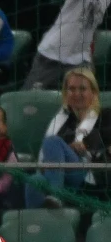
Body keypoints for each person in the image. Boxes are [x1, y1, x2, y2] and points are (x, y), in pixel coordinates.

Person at [24, 68, 107, 209]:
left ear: (93, 93)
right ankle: (41, 219)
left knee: (52, 141)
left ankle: (56, 195)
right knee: (35, 180)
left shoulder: (105, 117)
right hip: (59, 176)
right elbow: (45, 157)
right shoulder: (60, 120)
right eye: (72, 89)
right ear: (65, 93)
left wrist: (85, 147)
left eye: (82, 89)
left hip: (88, 177)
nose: (77, 94)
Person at [21, 0, 111, 90]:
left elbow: (90, 27)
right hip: (52, 55)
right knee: (30, 96)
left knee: (86, 95)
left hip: (80, 58)